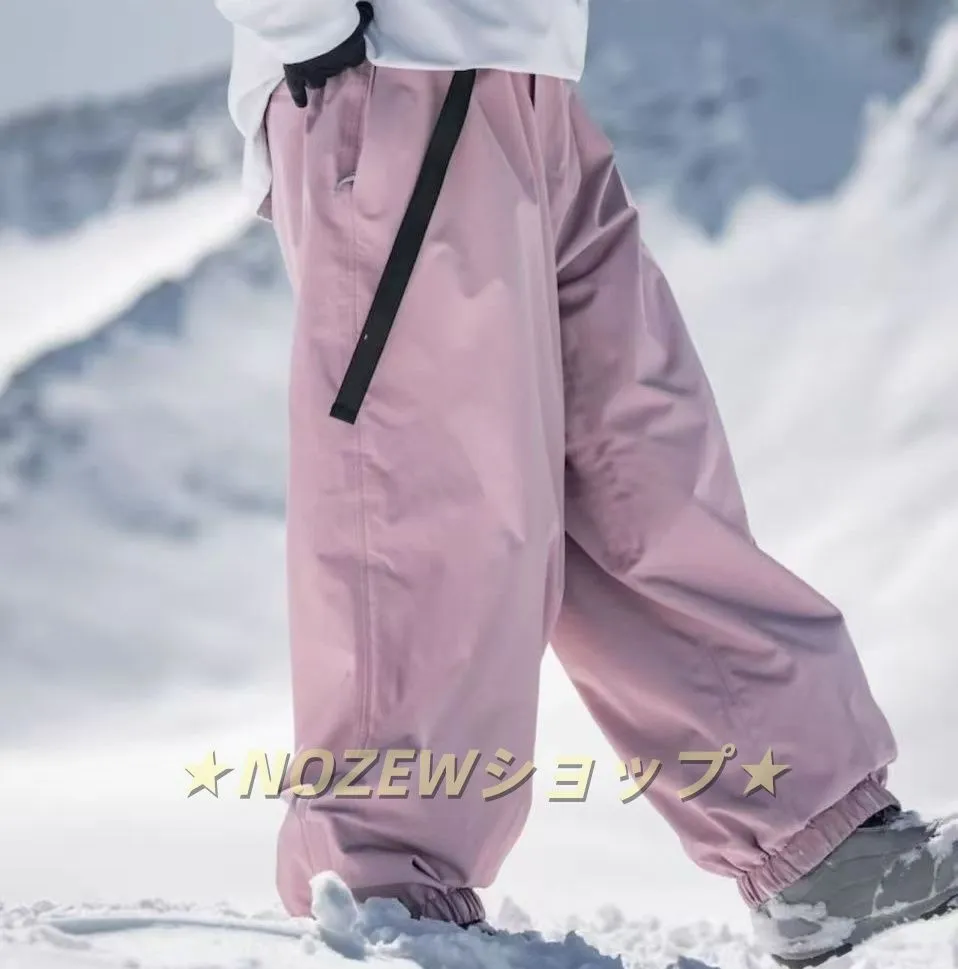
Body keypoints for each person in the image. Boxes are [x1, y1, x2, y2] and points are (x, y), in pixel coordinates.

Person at [212, 1, 958, 964]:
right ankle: (379, 890)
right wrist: (311, 27)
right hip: (391, 70)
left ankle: (813, 842)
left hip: (531, 72)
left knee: (638, 474)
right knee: (432, 500)